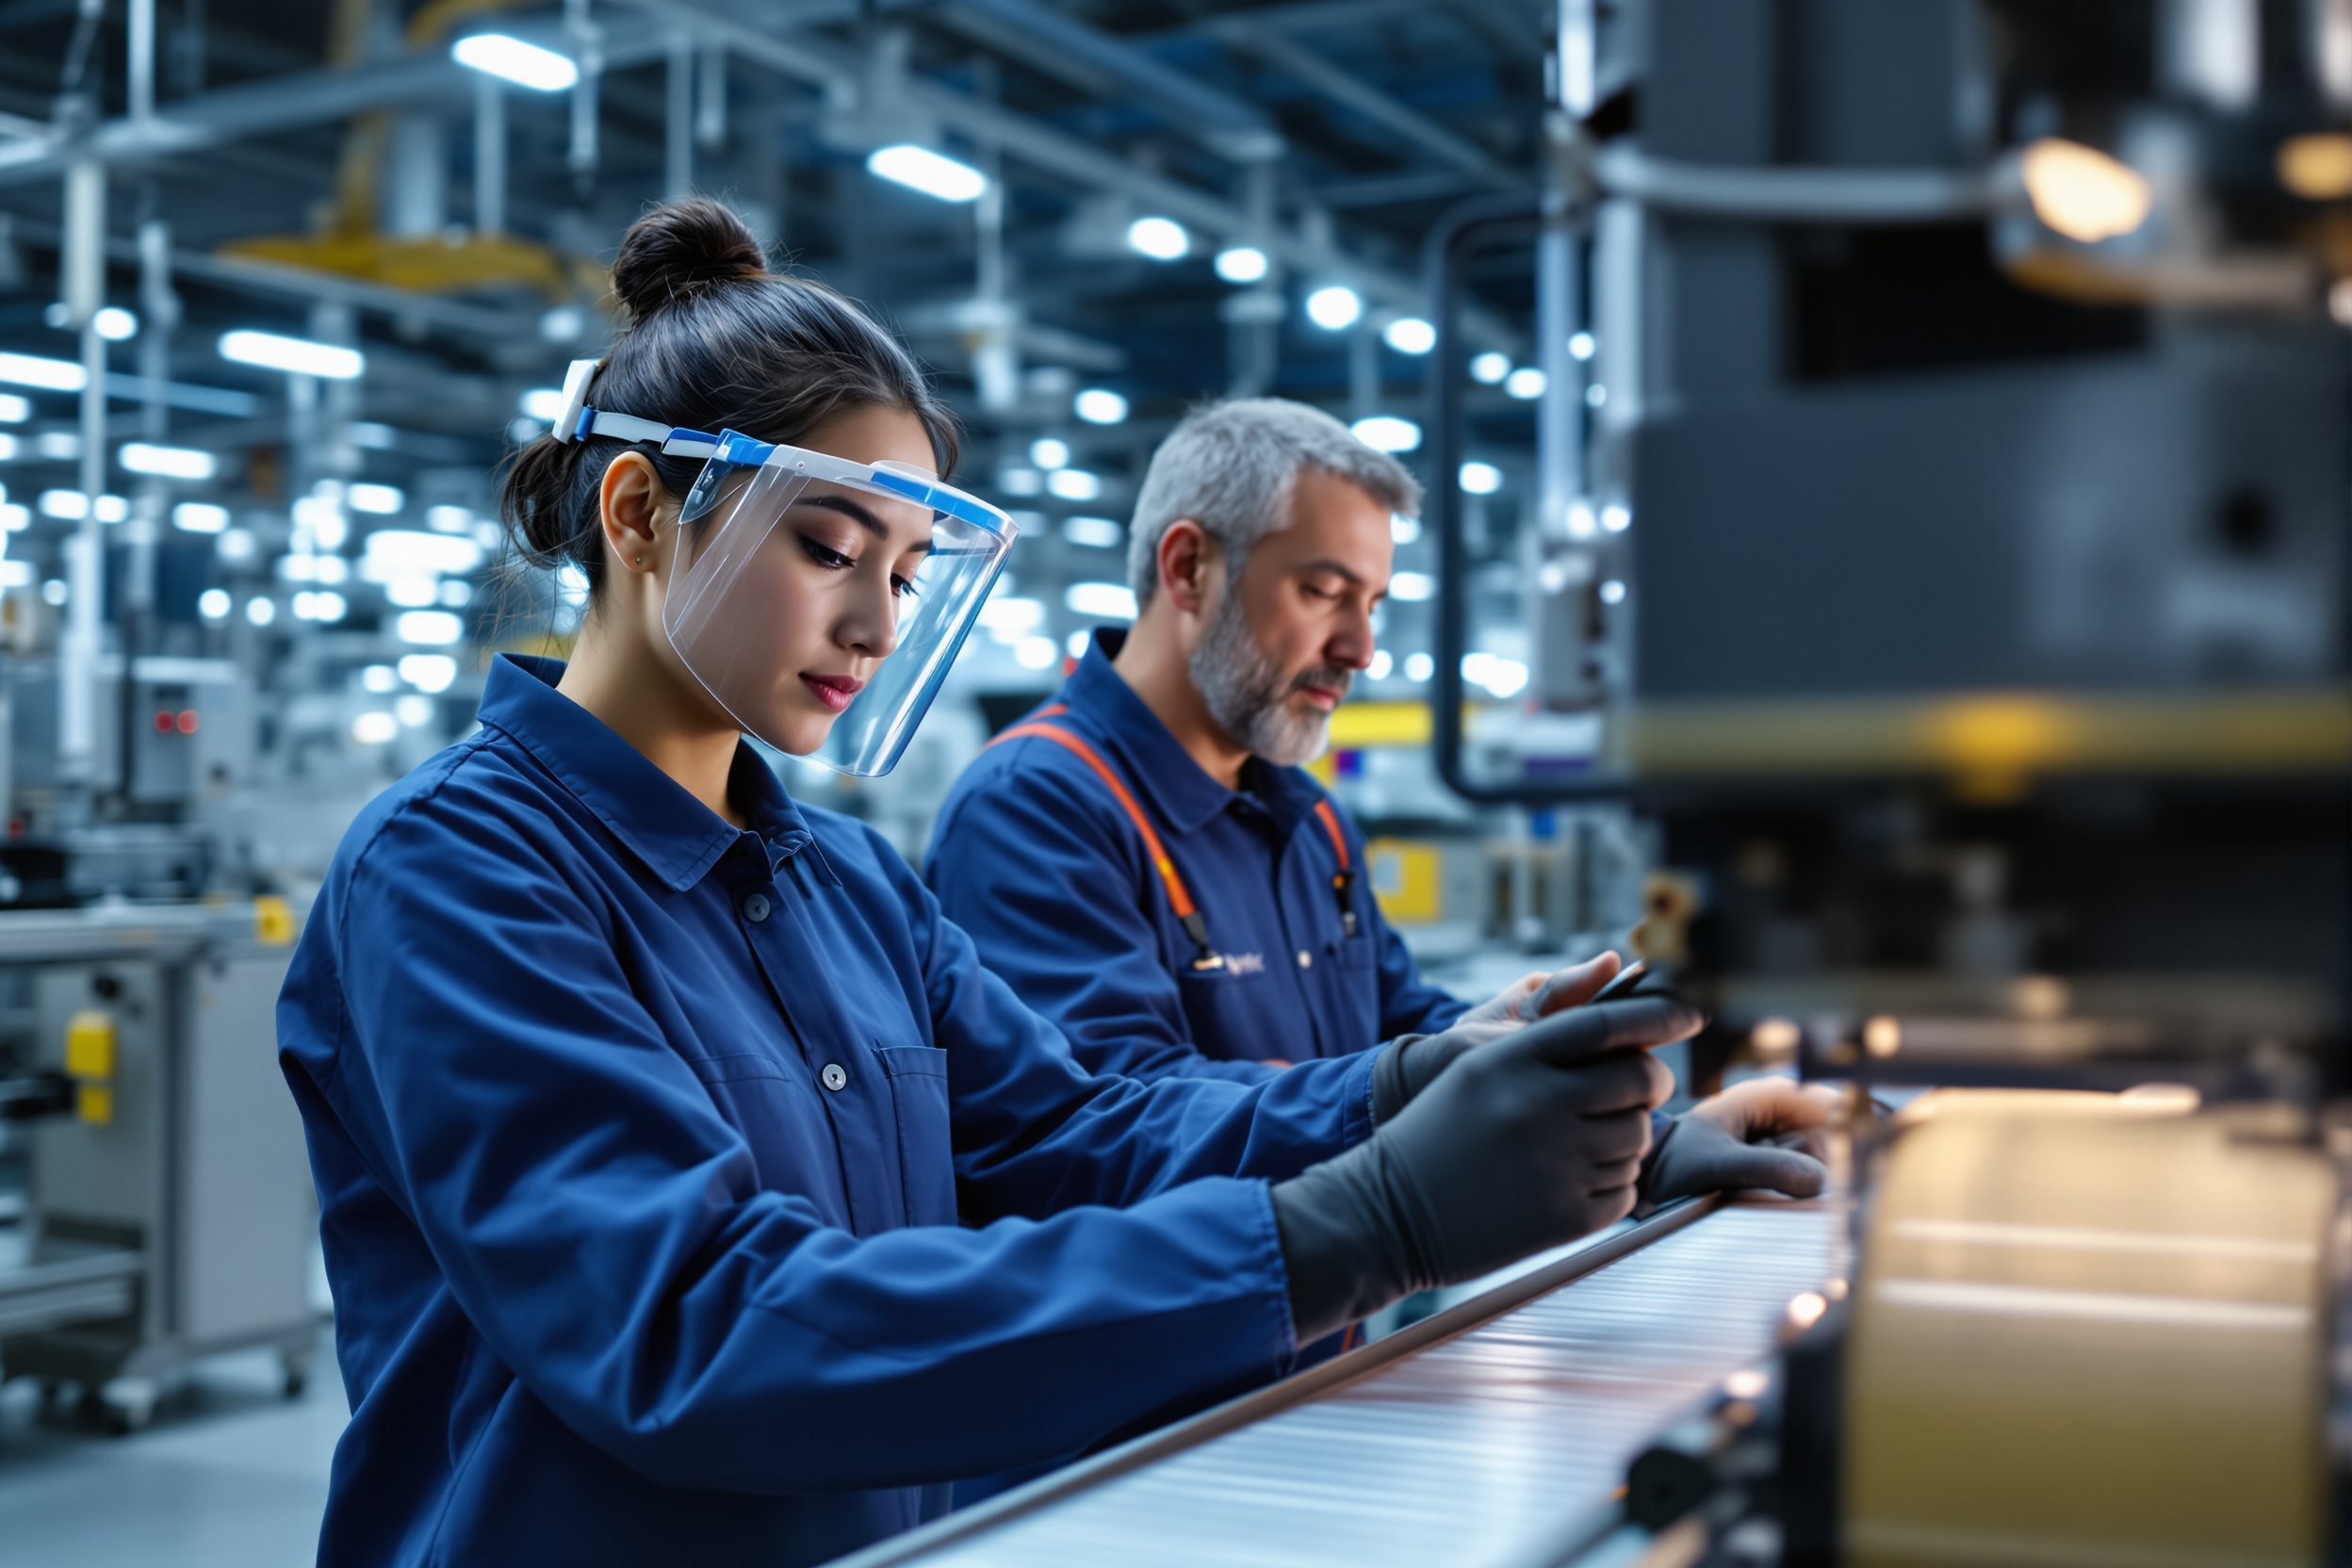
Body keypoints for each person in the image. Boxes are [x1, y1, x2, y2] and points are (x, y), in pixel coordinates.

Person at [277, 199, 1831, 1568]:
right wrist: (1367, 1221)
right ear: (635, 514)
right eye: (831, 546)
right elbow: (695, 1326)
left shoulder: (845, 881)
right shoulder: (459, 869)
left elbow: (1084, 1129)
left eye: (901, 571)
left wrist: (1487, 1106)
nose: (877, 622)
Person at [926, 400, 1476, 1082]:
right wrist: (1385, 1098)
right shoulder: (1033, 808)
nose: (1361, 650)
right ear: (1189, 568)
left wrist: (1511, 1044)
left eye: (1372, 606)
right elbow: (1106, 1116)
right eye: (1324, 591)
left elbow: (1397, 1018)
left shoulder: (1310, 820)